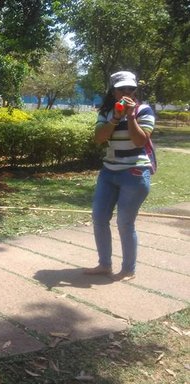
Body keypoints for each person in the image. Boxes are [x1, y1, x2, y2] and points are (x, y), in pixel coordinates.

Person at [85, 70, 155, 282]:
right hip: (109, 172)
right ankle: (104, 265)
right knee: (98, 218)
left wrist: (131, 116)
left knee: (125, 223)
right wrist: (116, 117)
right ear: (113, 91)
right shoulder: (105, 112)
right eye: (121, 89)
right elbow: (99, 138)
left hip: (134, 173)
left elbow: (140, 141)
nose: (127, 92)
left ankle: (128, 269)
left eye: (131, 88)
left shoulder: (144, 110)